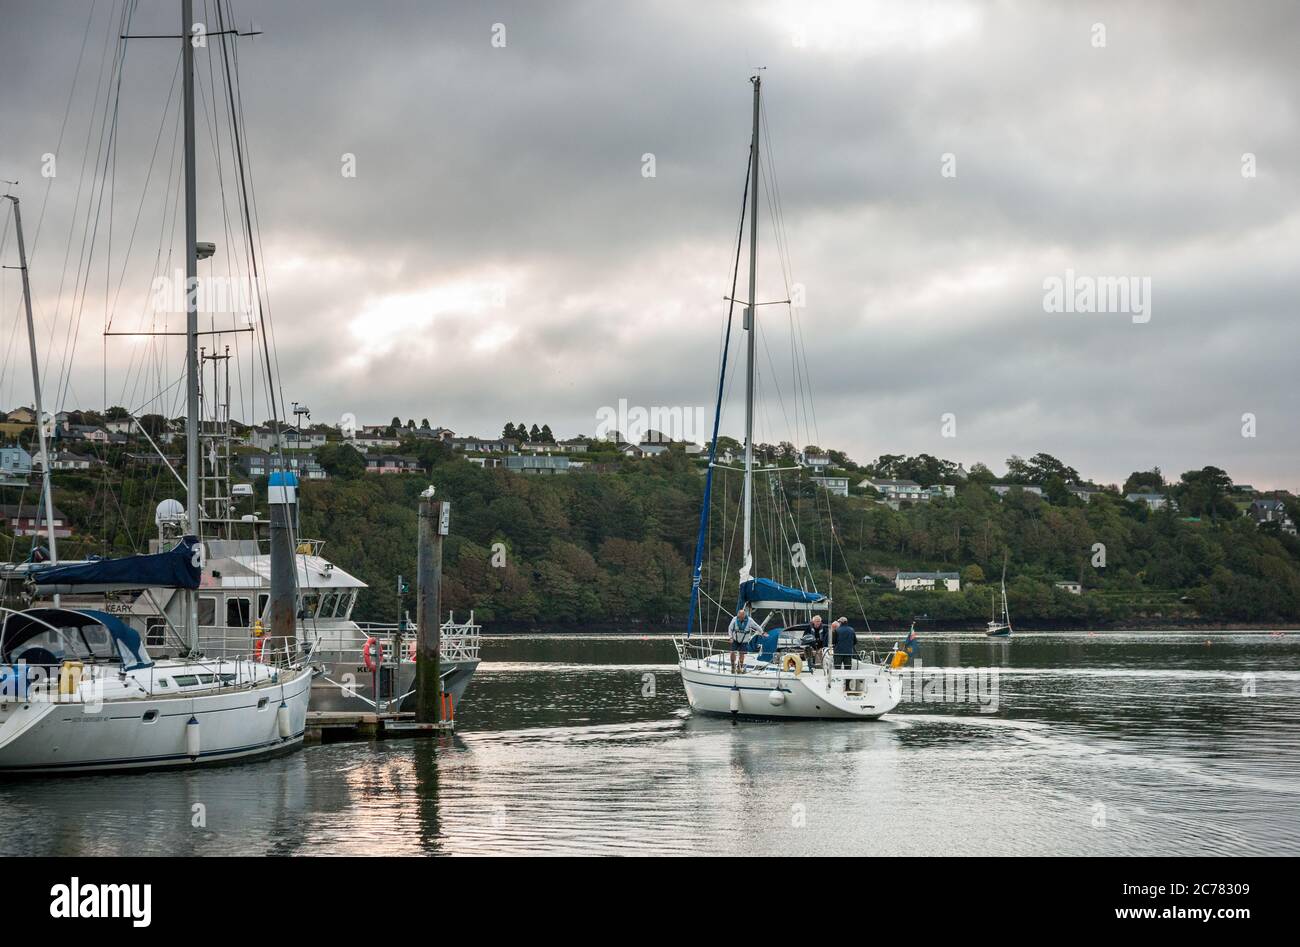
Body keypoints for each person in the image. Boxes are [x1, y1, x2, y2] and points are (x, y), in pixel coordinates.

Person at [727, 607, 762, 674]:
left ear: (744, 616)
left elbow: (756, 626)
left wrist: (762, 632)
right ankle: (733, 666)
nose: (740, 618)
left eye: (741, 617)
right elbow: (730, 628)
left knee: (742, 654)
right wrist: (731, 637)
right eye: (739, 616)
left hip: (744, 641)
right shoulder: (734, 619)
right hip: (735, 639)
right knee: (732, 652)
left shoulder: (749, 620)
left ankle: (739, 667)